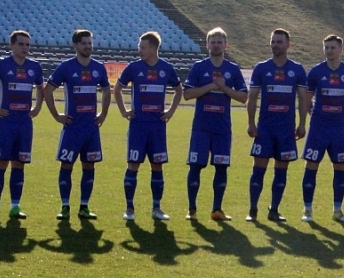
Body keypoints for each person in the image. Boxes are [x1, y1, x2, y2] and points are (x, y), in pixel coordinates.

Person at [0, 30, 44, 220]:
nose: (24, 48)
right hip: (5, 123)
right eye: (20, 44)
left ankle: (15, 206)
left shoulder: (35, 67)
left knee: (19, 164)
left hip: (24, 124)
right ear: (11, 45)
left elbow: (41, 88)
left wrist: (37, 107)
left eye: (27, 45)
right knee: (0, 163)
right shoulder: (1, 65)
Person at [113, 31, 183, 221]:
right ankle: (129, 209)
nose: (140, 50)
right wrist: (123, 111)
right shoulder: (134, 68)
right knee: (133, 165)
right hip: (138, 126)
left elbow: (179, 90)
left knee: (157, 166)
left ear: (153, 48)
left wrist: (170, 111)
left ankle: (156, 208)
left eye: (143, 47)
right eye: (139, 46)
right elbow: (117, 89)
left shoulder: (166, 68)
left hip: (158, 127)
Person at [44, 29, 110, 221]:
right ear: (76, 45)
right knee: (67, 165)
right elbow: (48, 90)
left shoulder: (99, 67)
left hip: (91, 128)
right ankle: (65, 206)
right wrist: (57, 115)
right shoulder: (66, 67)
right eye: (84, 43)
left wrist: (103, 114)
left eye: (90, 43)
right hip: (72, 128)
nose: (88, 46)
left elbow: (107, 90)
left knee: (89, 165)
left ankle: (84, 207)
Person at [182, 27, 248, 221]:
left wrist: (224, 88)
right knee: (195, 166)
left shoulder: (232, 69)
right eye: (213, 42)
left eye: (220, 42)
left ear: (226, 45)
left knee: (221, 167)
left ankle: (217, 210)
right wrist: (211, 86)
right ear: (207, 45)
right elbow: (187, 94)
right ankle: (192, 210)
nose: (216, 45)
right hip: (201, 127)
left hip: (222, 129)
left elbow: (243, 97)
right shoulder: (199, 67)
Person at [246, 28, 308, 222]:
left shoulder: (297, 70)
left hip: (286, 130)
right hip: (264, 129)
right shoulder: (261, 68)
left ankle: (274, 210)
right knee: (258, 169)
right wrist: (251, 123)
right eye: (273, 41)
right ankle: (253, 210)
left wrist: (302, 124)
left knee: (282, 170)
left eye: (279, 42)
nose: (275, 45)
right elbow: (252, 97)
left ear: (288, 45)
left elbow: (303, 99)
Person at [300, 34, 344, 223]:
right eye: (326, 47)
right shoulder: (316, 72)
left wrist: (339, 111)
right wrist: (314, 114)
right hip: (318, 126)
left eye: (333, 47)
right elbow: (306, 99)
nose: (329, 51)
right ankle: (308, 210)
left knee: (340, 165)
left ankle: (338, 210)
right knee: (311, 164)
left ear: (341, 49)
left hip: (339, 127)